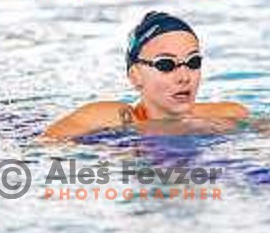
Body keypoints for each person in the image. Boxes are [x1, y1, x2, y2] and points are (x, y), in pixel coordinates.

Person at [43, 11, 249, 140]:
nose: (184, 76)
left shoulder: (229, 115)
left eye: (193, 62)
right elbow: (44, 148)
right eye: (166, 65)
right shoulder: (111, 118)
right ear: (135, 76)